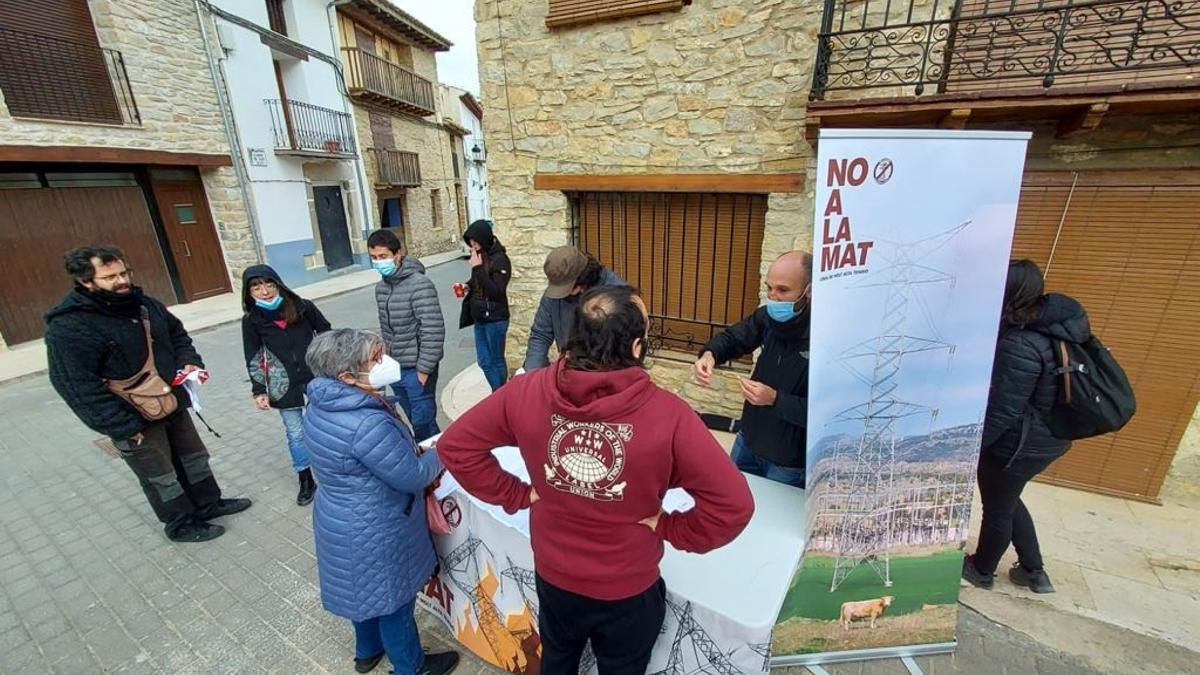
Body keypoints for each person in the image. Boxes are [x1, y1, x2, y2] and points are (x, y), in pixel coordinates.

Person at [439, 286, 755, 675]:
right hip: (626, 587)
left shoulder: (524, 392)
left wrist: (520, 495)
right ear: (637, 347)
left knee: (558, 657)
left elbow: (455, 445)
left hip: (554, 574)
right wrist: (672, 527)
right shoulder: (670, 417)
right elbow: (734, 506)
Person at [45, 245, 251, 542]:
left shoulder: (144, 304)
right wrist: (122, 426)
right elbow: (75, 386)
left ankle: (209, 505)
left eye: (123, 272)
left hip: (171, 401)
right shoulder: (70, 327)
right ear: (85, 281)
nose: (121, 281)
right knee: (160, 476)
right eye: (110, 277)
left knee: (194, 458)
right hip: (133, 420)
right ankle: (180, 525)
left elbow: (178, 335)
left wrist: (189, 362)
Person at [302, 329, 460, 675]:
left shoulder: (319, 402)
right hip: (375, 525)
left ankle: (367, 652)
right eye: (374, 360)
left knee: (364, 592)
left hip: (338, 515)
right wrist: (442, 450)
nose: (384, 364)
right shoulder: (366, 422)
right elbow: (413, 475)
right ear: (346, 376)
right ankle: (411, 666)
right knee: (394, 601)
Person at [962, 259, 1085, 595]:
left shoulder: (1019, 342)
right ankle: (1033, 571)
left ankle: (982, 569)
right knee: (1009, 499)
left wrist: (974, 446)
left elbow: (1003, 410)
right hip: (1050, 436)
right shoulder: (1058, 328)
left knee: (998, 508)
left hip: (1019, 443)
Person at [693, 251, 812, 488]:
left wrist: (775, 399)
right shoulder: (766, 318)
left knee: (772, 520)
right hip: (748, 440)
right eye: (769, 288)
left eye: (783, 290)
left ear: (808, 290)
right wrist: (710, 354)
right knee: (730, 497)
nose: (773, 297)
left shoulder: (824, 337)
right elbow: (735, 338)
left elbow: (823, 414)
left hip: (787, 462)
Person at [241, 264, 331, 506]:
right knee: (296, 433)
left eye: (269, 284)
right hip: (283, 385)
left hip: (315, 379)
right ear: (249, 292)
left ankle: (333, 473)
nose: (265, 291)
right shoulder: (251, 320)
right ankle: (305, 479)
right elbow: (253, 355)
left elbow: (326, 332)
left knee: (325, 427)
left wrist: (326, 364)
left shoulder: (303, 307)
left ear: (278, 284)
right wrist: (258, 390)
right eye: (257, 287)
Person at [368, 229, 445, 441]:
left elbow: (433, 329)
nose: (378, 262)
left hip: (417, 369)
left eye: (383, 257)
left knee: (423, 422)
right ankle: (438, 459)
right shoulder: (381, 288)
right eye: (373, 258)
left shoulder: (420, 284)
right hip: (395, 367)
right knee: (415, 419)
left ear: (398, 254)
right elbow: (386, 328)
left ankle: (437, 464)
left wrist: (424, 370)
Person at [521, 246, 625, 372]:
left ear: (582, 278)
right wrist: (531, 373)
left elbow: (625, 345)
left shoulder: (617, 293)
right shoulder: (553, 295)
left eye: (566, 288)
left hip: (607, 372)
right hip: (570, 369)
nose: (564, 293)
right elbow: (540, 335)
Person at [459, 219, 511, 391]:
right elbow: (479, 281)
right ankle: (500, 394)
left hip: (495, 319)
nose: (473, 245)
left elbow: (496, 291)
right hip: (480, 317)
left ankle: (500, 395)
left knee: (495, 360)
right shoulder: (482, 256)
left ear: (483, 238)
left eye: (475, 241)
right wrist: (468, 285)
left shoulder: (501, 260)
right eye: (470, 242)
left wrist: (477, 269)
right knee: (483, 361)